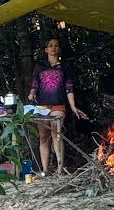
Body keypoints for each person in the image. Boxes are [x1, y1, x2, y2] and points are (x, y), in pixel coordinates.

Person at [26, 38, 88, 175]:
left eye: (56, 45)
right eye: (50, 45)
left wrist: (72, 106)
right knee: (43, 137)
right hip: (41, 107)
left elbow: (69, 87)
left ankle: (59, 170)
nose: (54, 48)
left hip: (59, 105)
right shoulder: (39, 66)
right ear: (46, 49)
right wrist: (32, 93)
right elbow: (35, 85)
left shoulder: (65, 66)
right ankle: (45, 170)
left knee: (57, 135)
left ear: (59, 49)